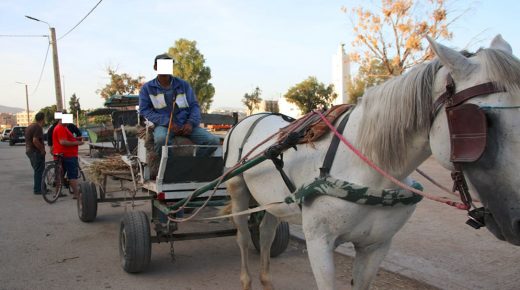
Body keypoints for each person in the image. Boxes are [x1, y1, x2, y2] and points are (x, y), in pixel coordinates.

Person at [139, 53, 219, 156]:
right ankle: (168, 166)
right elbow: (145, 111)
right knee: (161, 140)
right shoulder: (147, 88)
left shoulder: (183, 85)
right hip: (164, 126)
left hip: (185, 124)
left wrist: (190, 123)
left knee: (213, 141)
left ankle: (192, 164)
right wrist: (168, 122)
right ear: (155, 67)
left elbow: (194, 106)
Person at [52, 114, 84, 198]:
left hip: (63, 154)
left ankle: (57, 193)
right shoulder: (60, 128)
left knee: (60, 175)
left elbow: (67, 139)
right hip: (67, 155)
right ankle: (76, 194)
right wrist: (77, 143)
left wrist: (76, 139)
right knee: (72, 176)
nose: (68, 124)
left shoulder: (63, 127)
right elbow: (63, 142)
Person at [25, 112, 46, 194]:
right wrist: (42, 150)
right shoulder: (38, 127)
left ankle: (42, 187)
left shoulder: (30, 126)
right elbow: (35, 140)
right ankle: (38, 189)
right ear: (43, 119)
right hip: (35, 152)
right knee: (39, 171)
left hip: (29, 151)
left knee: (38, 171)